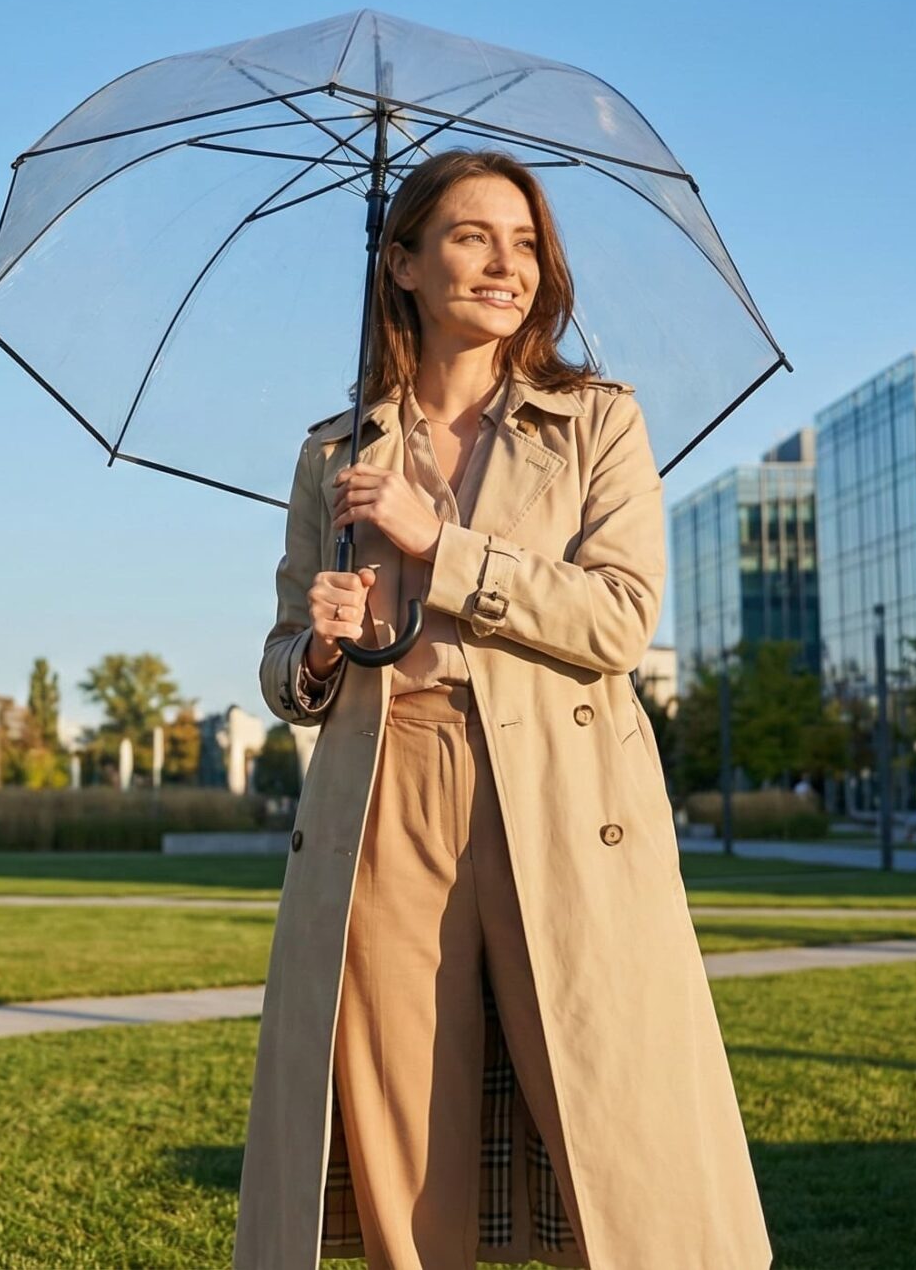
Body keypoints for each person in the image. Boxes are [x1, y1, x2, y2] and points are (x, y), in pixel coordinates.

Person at [232, 150, 773, 1268]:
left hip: (563, 795)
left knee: (609, 1107)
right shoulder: (335, 453)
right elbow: (284, 671)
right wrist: (319, 645)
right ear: (402, 263)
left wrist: (446, 546)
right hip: (381, 800)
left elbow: (619, 620)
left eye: (525, 243)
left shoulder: (595, 423)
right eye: (473, 237)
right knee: (398, 1119)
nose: (506, 264)